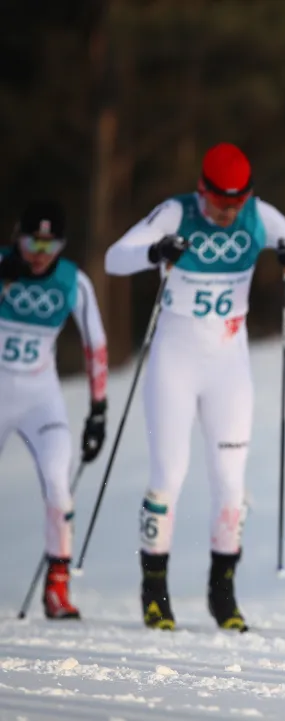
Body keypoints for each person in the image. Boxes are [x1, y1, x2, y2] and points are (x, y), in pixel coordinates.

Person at [105, 142, 285, 631]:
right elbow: (113, 259)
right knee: (169, 476)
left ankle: (222, 595)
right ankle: (154, 594)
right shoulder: (176, 212)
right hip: (175, 360)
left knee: (230, 483)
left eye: (234, 206)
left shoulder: (259, 217)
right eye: (217, 205)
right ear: (201, 191)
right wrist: (154, 251)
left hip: (229, 365)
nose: (226, 215)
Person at [0, 199, 109, 620]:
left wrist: (98, 409)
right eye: (32, 242)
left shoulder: (73, 282)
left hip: (40, 398)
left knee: (58, 484)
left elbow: (95, 345)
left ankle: (57, 589)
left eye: (51, 244)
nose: (40, 254)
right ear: (16, 237)